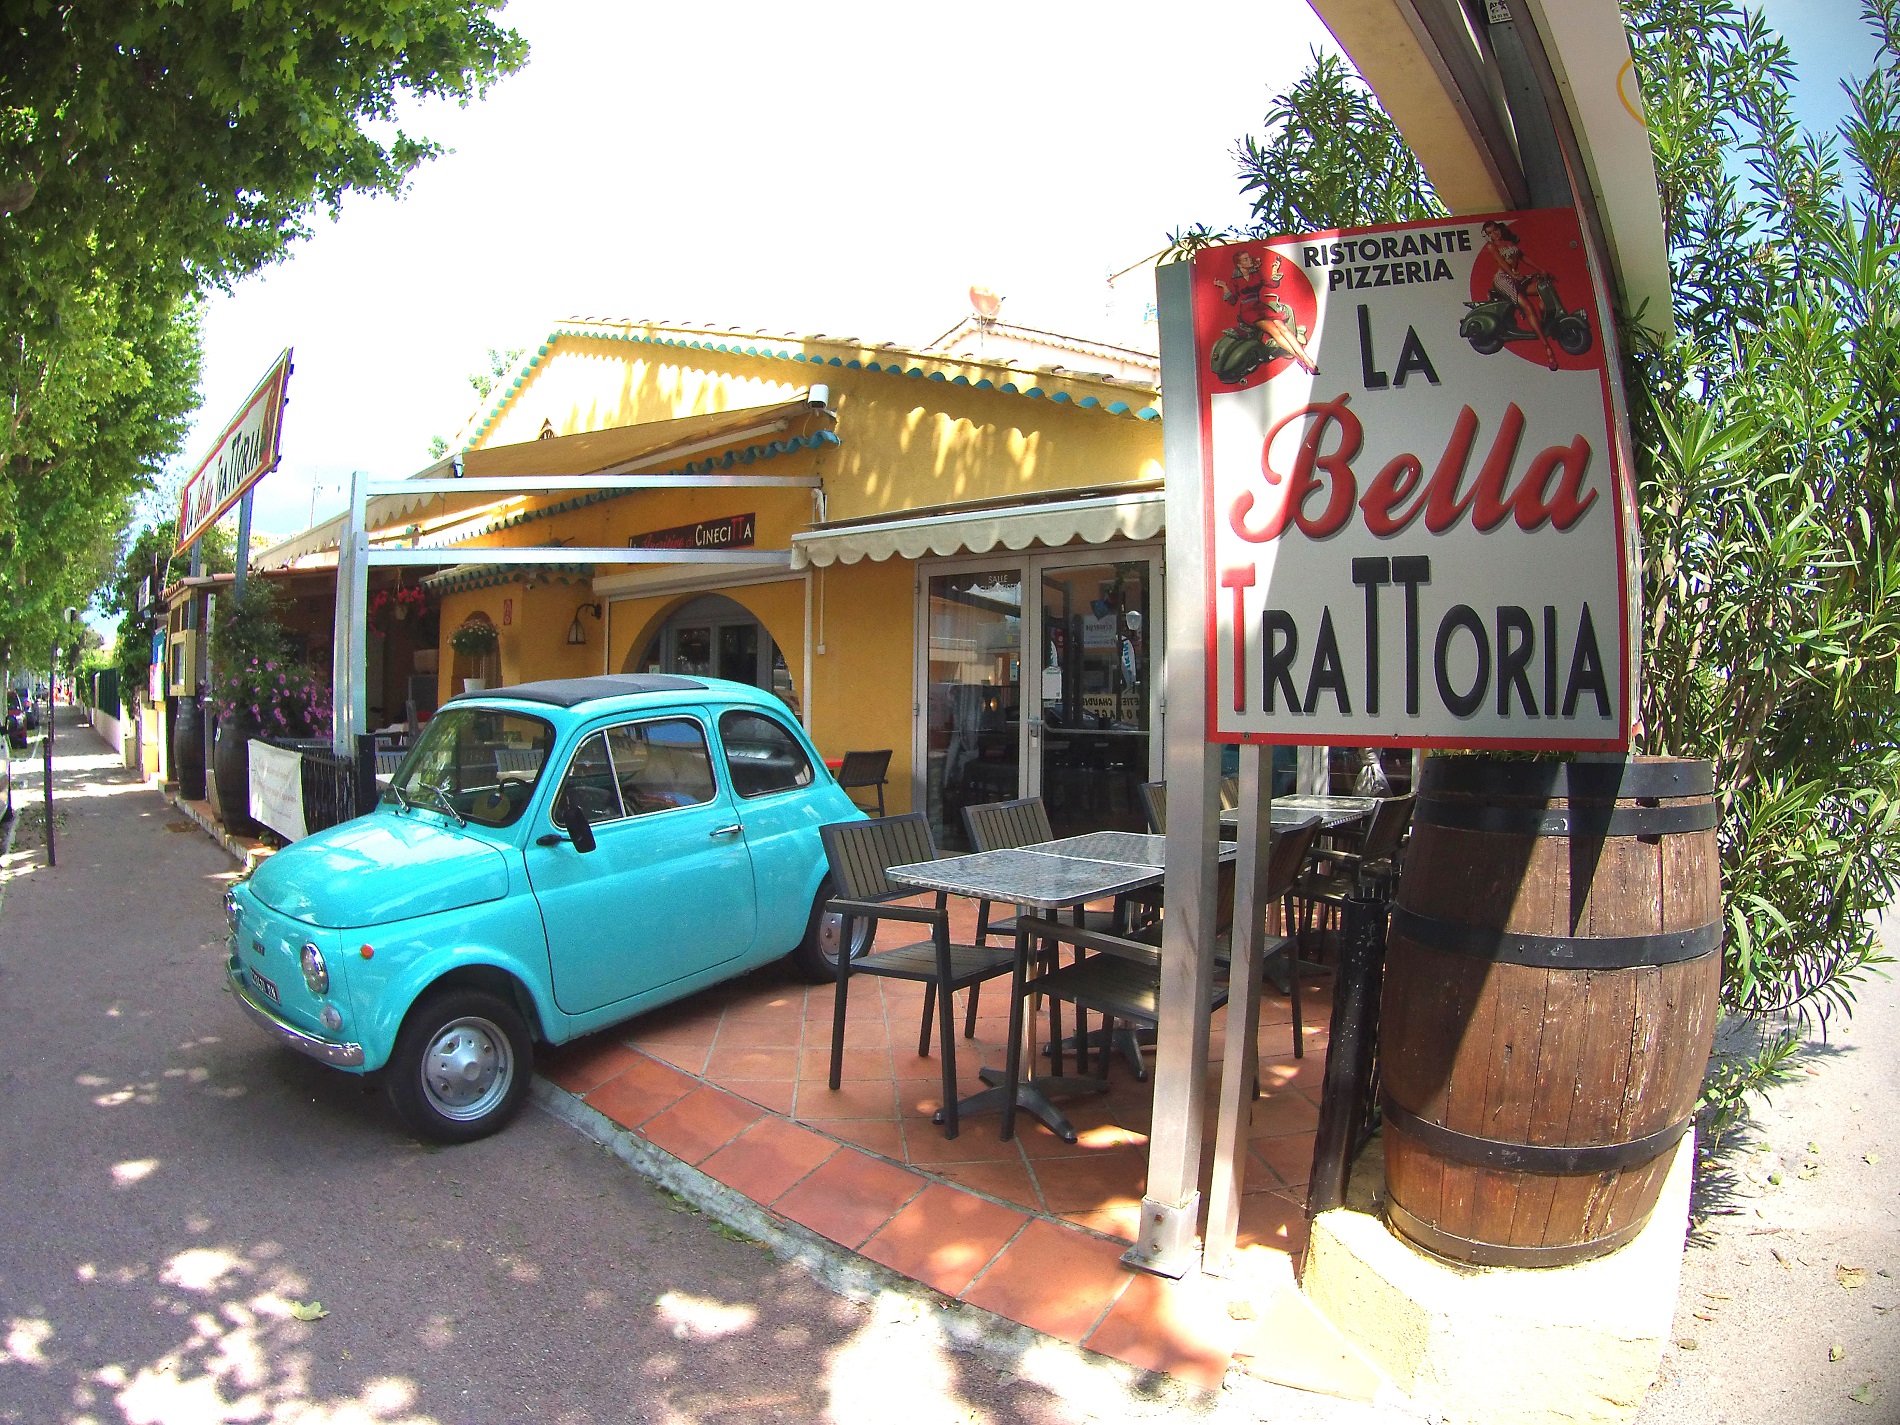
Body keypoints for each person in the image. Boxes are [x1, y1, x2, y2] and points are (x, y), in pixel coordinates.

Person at [1214, 249, 1321, 375]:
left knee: (1284, 328)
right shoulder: (1235, 281)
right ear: (1239, 265)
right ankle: (1302, 359)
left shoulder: (1256, 274)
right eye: (1246, 259)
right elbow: (1232, 300)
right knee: (1275, 331)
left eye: (1249, 258)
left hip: (1261, 306)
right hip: (1248, 310)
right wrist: (1224, 287)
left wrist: (1274, 270)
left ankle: (1306, 358)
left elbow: (1272, 284)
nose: (1249, 261)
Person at [1481, 220, 1560, 370]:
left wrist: (1540, 269)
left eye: (1495, 230)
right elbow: (1501, 263)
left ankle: (1545, 319)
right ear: (1488, 235)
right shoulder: (1492, 247)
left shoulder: (1509, 242)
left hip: (1516, 278)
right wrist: (1513, 273)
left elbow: (1523, 257)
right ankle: (1547, 348)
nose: (1494, 234)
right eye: (1490, 232)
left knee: (1543, 288)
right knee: (1528, 307)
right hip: (1503, 279)